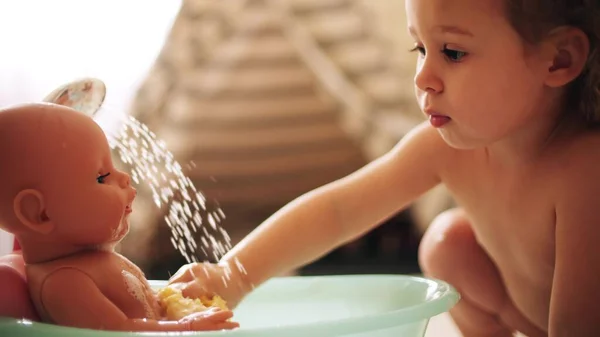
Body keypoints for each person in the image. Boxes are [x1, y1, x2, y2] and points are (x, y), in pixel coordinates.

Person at [168, 0, 600, 336]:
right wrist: (232, 275)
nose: (423, 76)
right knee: (447, 244)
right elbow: (339, 210)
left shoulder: (584, 172)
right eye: (421, 48)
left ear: (559, 59)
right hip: (531, 316)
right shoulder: (445, 149)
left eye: (452, 52)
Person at [0, 80, 238, 332]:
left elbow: (141, 308)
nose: (124, 178)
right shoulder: (64, 282)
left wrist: (170, 300)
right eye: (102, 177)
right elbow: (121, 330)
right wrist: (185, 326)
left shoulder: (94, 263)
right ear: (39, 213)